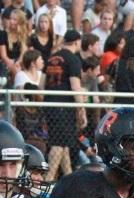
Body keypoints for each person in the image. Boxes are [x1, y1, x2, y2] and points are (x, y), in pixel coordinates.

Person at [43, 29, 87, 181]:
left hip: (50, 103)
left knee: (65, 145)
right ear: (77, 41)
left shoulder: (51, 58)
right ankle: (48, 180)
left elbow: (42, 84)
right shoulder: (73, 59)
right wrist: (81, 111)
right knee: (58, 144)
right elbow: (76, 86)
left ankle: (69, 178)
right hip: (64, 106)